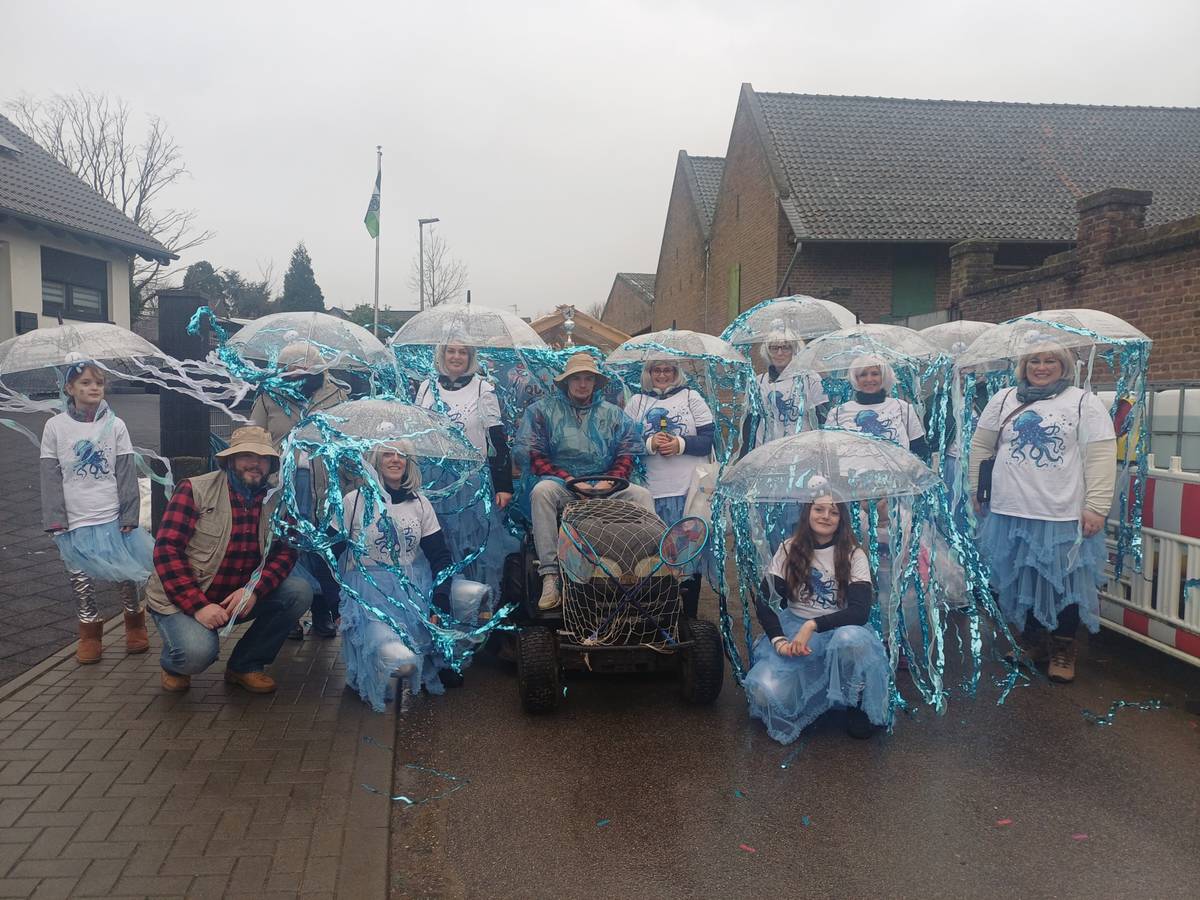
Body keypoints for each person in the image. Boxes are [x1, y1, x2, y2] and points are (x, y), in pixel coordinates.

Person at [969, 342, 1116, 683]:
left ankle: (1064, 648)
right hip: (1010, 509)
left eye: (1051, 360)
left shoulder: (1083, 402)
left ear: (1063, 366)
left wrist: (1096, 506)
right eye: (1034, 360)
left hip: (1059, 512)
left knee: (1064, 582)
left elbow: (1101, 454)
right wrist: (977, 489)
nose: (1042, 366)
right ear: (1023, 366)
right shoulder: (1003, 399)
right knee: (1022, 577)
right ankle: (1032, 642)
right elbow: (981, 446)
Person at [144, 426, 312, 694]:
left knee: (299, 591)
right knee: (196, 654)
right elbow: (167, 551)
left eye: (263, 458)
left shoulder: (278, 500)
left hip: (238, 595)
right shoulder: (194, 490)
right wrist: (198, 606)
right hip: (185, 597)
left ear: (271, 464)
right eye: (247, 455)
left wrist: (254, 591)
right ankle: (174, 664)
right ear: (231, 459)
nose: (255, 464)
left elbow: (288, 551)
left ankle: (245, 665)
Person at [745, 495, 889, 743]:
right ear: (807, 513)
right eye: (819, 509)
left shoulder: (854, 555)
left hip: (837, 628)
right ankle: (819, 691)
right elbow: (764, 602)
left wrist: (813, 625)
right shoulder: (788, 549)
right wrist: (780, 641)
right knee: (763, 693)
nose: (825, 516)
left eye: (833, 512)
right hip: (796, 630)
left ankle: (856, 701)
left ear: (841, 518)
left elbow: (859, 612)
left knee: (852, 638)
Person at [516, 352, 653, 610]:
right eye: (576, 378)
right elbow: (535, 456)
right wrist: (568, 480)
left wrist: (610, 482)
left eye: (587, 378)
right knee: (541, 491)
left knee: (641, 496)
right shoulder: (543, 412)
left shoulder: (614, 415)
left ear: (595, 382)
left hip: (605, 485)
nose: (582, 384)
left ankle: (645, 570)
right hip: (562, 485)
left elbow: (626, 454)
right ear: (566, 382)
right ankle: (550, 574)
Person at [40, 362, 153, 664]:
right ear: (69, 389)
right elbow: (50, 475)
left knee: (125, 572)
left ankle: (134, 623)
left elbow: (125, 470)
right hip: (75, 518)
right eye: (86, 382)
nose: (93, 388)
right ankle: (89, 632)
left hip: (111, 514)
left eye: (99, 383)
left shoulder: (116, 425)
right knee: (80, 579)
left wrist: (130, 514)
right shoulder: (55, 427)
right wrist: (55, 518)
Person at [338, 445, 463, 711]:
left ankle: (428, 655)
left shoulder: (419, 502)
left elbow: (440, 556)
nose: (395, 459)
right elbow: (326, 553)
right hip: (370, 598)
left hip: (413, 594)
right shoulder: (354, 501)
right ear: (375, 461)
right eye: (387, 453)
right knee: (404, 664)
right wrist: (334, 605)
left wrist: (438, 600)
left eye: (402, 454)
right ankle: (371, 660)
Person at [250, 342, 348, 639]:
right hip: (282, 487)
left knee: (321, 549)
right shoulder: (269, 395)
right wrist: (265, 477)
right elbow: (254, 438)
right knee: (284, 548)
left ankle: (322, 613)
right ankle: (288, 613)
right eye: (291, 366)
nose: (299, 371)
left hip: (325, 485)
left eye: (305, 364)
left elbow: (348, 439)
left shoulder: (337, 394)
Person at [414, 342, 515, 602]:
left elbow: (496, 439)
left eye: (462, 352)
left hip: (471, 482)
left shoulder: (483, 388)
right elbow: (413, 433)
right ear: (442, 355)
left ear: (470, 357)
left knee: (474, 548)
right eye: (451, 351)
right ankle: (438, 605)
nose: (456, 357)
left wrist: (503, 485)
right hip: (432, 480)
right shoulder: (426, 387)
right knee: (437, 543)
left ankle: (475, 610)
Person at [623, 359, 715, 618]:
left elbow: (709, 440)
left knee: (686, 562)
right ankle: (657, 618)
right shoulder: (636, 403)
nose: (662, 375)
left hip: (687, 494)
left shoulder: (691, 397)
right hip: (650, 495)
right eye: (656, 370)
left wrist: (680, 444)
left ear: (676, 373)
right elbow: (624, 443)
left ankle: (688, 620)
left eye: (668, 370)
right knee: (652, 562)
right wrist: (650, 443)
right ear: (648, 373)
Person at [826, 355, 929, 460]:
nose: (869, 379)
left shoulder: (903, 408)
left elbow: (919, 450)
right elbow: (830, 454)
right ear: (856, 378)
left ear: (884, 376)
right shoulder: (837, 413)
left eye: (875, 374)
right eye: (863, 375)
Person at [742, 337, 828, 454]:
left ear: (795, 350)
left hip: (803, 452)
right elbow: (751, 424)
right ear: (767, 351)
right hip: (766, 453)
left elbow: (823, 417)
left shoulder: (810, 379)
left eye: (786, 347)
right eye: (774, 348)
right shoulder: (759, 382)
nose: (780, 353)